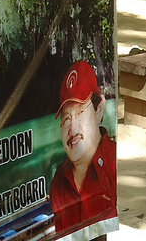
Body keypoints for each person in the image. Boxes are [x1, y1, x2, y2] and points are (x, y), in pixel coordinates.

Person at [49, 60, 116, 236]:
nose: (73, 128)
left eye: (80, 112)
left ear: (99, 109)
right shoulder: (58, 182)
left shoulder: (114, 164)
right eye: (66, 119)